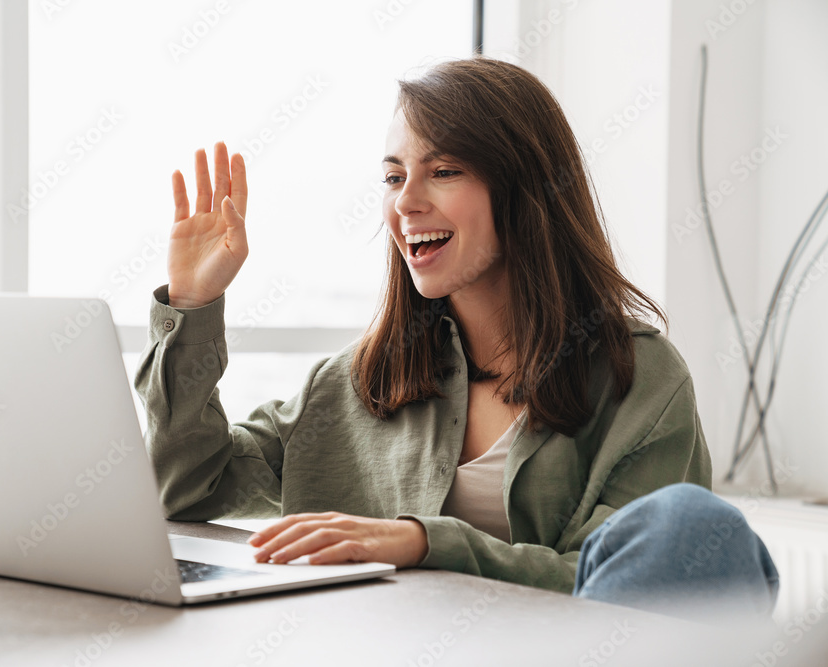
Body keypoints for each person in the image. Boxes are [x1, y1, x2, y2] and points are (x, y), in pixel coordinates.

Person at [134, 55, 779, 622]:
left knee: (693, 524)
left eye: (443, 170)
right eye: (393, 177)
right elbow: (185, 487)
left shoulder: (639, 377)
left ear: (525, 190)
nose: (405, 202)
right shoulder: (355, 384)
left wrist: (424, 542)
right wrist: (192, 304)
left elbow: (624, 584)